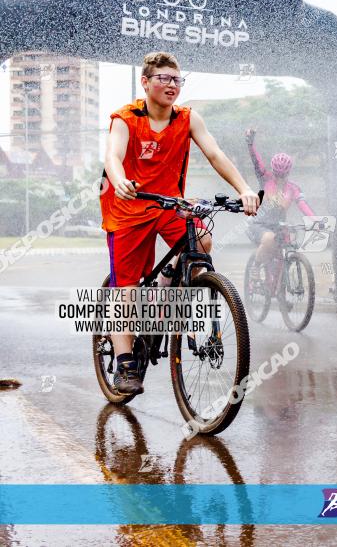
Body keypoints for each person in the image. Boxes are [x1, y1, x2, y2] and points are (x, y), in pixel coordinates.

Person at [101, 51, 260, 395]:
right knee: (125, 288)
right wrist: (120, 180)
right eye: (164, 79)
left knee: (202, 241)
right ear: (145, 82)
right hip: (129, 207)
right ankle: (126, 361)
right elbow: (113, 156)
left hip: (170, 204)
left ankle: (166, 289)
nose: (172, 86)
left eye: (177, 79)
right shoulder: (126, 118)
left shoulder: (187, 119)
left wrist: (244, 189)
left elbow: (215, 154)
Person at [244, 128, 316, 263]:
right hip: (259, 224)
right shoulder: (265, 178)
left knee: (285, 249)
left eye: (283, 175)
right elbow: (256, 161)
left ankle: (280, 277)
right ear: (272, 171)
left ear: (288, 173)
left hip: (278, 226)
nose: (280, 178)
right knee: (269, 239)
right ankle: (256, 267)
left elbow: (303, 205)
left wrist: (315, 221)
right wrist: (250, 144)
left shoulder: (293, 188)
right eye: (277, 175)